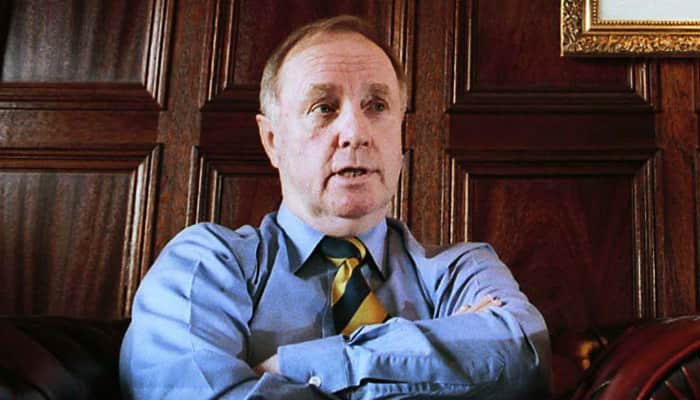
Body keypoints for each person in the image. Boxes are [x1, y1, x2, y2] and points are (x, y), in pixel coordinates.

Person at [119, 15, 551, 399]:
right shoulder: (206, 264)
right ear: (272, 140)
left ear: (400, 136)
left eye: (377, 106)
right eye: (324, 108)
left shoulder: (462, 271)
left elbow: (523, 356)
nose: (356, 132)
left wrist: (293, 366)